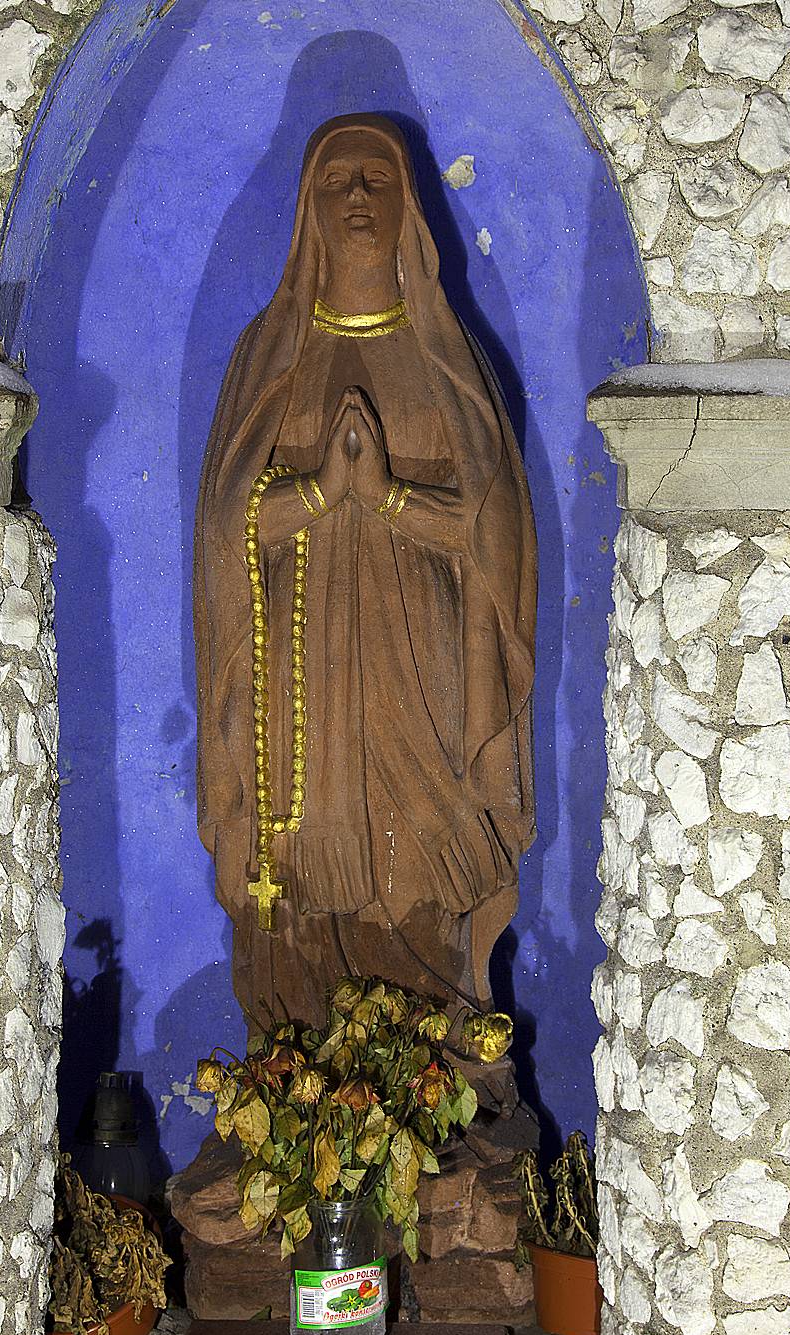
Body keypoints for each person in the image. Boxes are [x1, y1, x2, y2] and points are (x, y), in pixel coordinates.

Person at [194, 114, 537, 1061]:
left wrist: (386, 498)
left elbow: (494, 539)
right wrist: (318, 493)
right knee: (305, 892)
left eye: (375, 180)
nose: (355, 196)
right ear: (308, 207)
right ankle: (299, 1092)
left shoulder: (445, 359)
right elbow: (225, 531)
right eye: (336, 180)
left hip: (424, 674)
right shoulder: (270, 355)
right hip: (297, 689)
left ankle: (435, 1084)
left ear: (407, 207)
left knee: (420, 874)